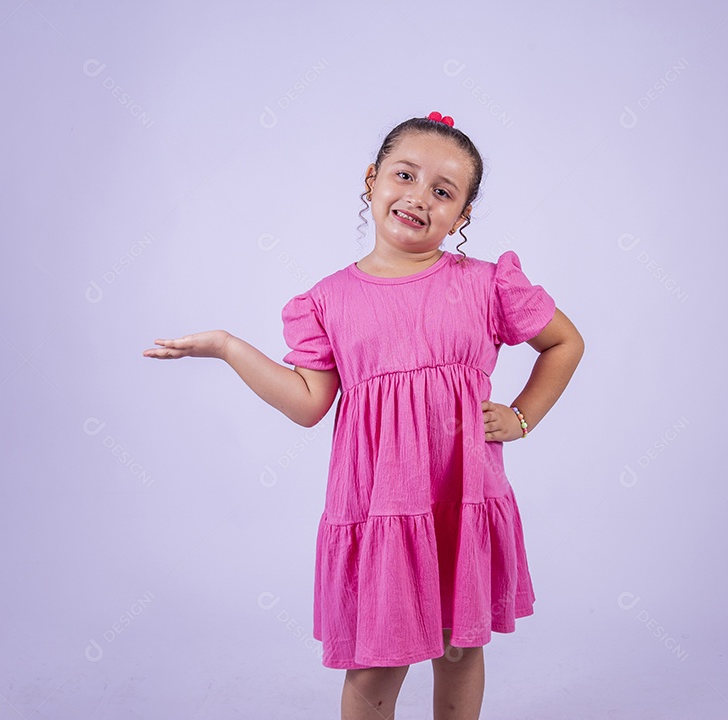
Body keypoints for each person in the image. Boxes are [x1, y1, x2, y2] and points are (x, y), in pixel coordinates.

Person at [143, 111, 584, 720]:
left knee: (460, 648)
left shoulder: (486, 285)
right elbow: (307, 403)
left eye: (443, 192)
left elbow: (565, 343)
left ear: (463, 217)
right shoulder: (327, 301)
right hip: (380, 508)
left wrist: (522, 416)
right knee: (377, 658)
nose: (418, 198)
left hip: (460, 495)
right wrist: (228, 347)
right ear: (372, 180)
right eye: (405, 175)